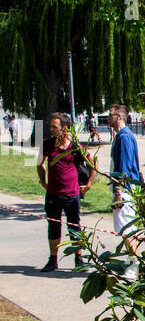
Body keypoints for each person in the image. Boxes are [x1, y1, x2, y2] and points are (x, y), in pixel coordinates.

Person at [36, 112, 93, 271]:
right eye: (50, 127)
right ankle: (53, 259)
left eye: (54, 127)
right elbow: (39, 164)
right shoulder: (47, 144)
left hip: (72, 194)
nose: (51, 130)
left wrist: (88, 184)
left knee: (74, 226)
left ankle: (79, 258)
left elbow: (92, 163)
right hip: (53, 194)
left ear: (64, 129)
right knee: (53, 226)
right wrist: (43, 181)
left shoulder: (75, 147)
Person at [108, 102, 143, 264]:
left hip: (125, 190)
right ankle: (133, 263)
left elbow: (125, 167)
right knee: (127, 228)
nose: (108, 118)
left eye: (110, 115)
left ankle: (135, 265)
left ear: (119, 117)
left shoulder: (124, 137)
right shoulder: (122, 136)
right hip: (126, 188)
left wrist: (118, 191)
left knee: (127, 229)